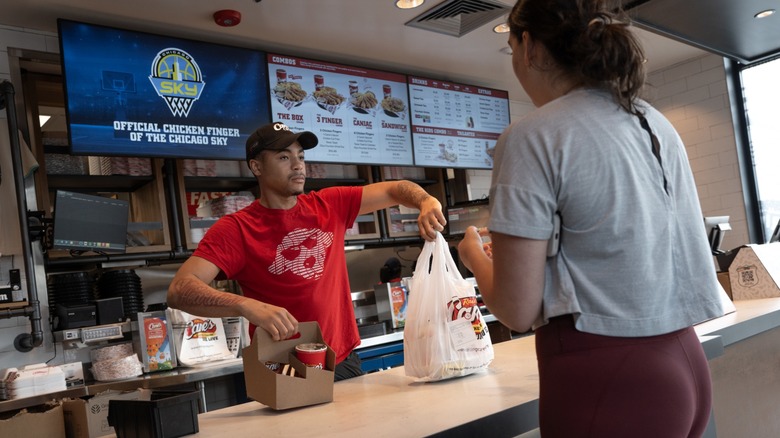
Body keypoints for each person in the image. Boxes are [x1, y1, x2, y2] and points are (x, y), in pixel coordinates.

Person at [457, 1, 726, 436]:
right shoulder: (654, 121)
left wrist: (473, 256)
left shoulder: (532, 136)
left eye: (511, 51)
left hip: (608, 377)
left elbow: (517, 310)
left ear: (529, 47)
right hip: (685, 362)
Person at [167, 121, 446, 381]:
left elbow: (396, 189)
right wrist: (244, 306)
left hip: (343, 360)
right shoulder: (236, 229)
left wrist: (426, 200)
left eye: (300, 156)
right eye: (284, 157)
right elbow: (180, 290)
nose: (298, 165)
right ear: (256, 166)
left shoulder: (330, 204)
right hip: (284, 371)